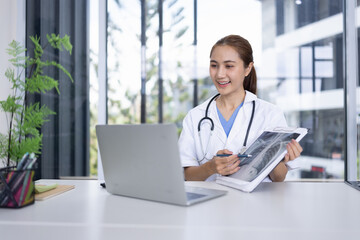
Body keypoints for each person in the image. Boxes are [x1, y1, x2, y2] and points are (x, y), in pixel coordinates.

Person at [178, 34, 303, 182]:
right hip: (210, 203)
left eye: (229, 66)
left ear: (247, 68)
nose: (219, 74)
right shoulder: (195, 116)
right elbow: (185, 176)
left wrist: (276, 158)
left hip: (255, 204)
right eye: (214, 65)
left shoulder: (270, 114)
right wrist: (210, 167)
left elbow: (278, 178)